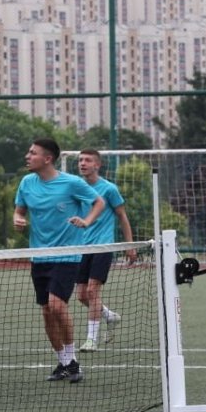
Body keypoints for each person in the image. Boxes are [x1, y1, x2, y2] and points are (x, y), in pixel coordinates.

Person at [13, 138, 105, 384]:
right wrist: (18, 220)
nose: (27, 156)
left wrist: (86, 221)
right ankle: (64, 362)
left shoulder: (72, 183)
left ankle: (73, 360)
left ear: (47, 159)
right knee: (46, 311)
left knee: (56, 305)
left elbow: (99, 202)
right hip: (39, 257)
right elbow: (19, 210)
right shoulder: (26, 183)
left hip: (67, 256)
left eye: (32, 153)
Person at [74, 149, 136, 353]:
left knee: (92, 291)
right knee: (82, 295)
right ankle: (109, 316)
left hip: (103, 246)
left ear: (97, 165)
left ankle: (92, 339)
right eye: (81, 160)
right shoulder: (76, 188)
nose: (83, 163)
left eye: (88, 160)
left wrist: (130, 245)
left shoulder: (109, 189)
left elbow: (122, 217)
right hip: (82, 248)